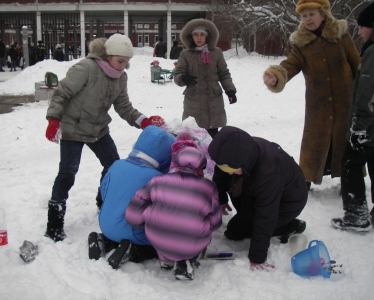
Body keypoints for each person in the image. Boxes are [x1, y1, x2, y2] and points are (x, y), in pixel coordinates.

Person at [44, 33, 165, 242]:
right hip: (73, 128)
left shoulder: (121, 78)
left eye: (126, 62)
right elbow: (61, 92)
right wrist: (54, 119)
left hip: (99, 130)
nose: (122, 66)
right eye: (120, 61)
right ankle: (54, 225)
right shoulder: (86, 68)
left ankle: (104, 203)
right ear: (108, 55)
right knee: (67, 172)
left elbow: (124, 107)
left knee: (113, 166)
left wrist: (143, 121)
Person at [263, 0, 360, 190]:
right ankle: (305, 180)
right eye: (304, 16)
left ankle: (350, 181)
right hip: (318, 105)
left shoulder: (341, 35)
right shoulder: (301, 43)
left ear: (323, 14)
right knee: (314, 142)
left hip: (345, 102)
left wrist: (365, 92)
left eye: (312, 14)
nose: (308, 19)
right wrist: (276, 75)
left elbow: (357, 64)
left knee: (345, 142)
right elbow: (291, 64)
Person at [332, 2, 374, 235]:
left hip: (371, 125)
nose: (360, 32)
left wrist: (359, 127)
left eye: (363, 27)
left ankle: (356, 216)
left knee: (350, 163)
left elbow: (369, 94)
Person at [208, 126, 308, 271]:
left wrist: (257, 257)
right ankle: (248, 218)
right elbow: (220, 174)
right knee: (241, 219)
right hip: (256, 189)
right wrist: (222, 198)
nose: (228, 173)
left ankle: (292, 226)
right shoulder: (237, 151)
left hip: (286, 203)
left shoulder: (268, 174)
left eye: (230, 169)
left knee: (234, 231)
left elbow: (266, 216)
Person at [125, 132, 222, 280]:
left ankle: (164, 258)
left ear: (174, 161)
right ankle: (186, 260)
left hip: (156, 239)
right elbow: (215, 223)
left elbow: (133, 214)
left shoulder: (158, 181)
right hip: (191, 244)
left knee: (160, 222)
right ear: (201, 166)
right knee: (195, 229)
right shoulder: (209, 188)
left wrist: (145, 222)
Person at [89, 125, 176, 269]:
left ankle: (103, 240)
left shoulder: (116, 165)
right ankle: (132, 251)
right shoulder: (157, 178)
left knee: (118, 228)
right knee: (158, 246)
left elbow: (104, 193)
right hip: (132, 231)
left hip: (104, 223)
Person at [174, 18, 237, 139]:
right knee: (195, 137)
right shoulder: (185, 54)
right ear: (190, 36)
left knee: (213, 137)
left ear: (207, 36)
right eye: (196, 35)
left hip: (213, 102)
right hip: (194, 102)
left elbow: (224, 73)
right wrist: (182, 78)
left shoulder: (216, 52)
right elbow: (178, 75)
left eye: (202, 34)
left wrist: (230, 90)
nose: (199, 38)